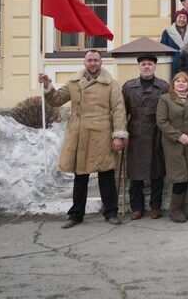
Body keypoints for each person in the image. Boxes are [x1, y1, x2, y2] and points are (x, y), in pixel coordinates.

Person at [39, 50, 128, 228]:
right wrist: (48, 85)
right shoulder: (73, 82)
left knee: (106, 174)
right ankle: (76, 214)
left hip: (101, 134)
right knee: (80, 176)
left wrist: (119, 135)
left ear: (101, 62)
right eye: (90, 60)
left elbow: (119, 110)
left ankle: (111, 212)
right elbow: (56, 100)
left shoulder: (111, 84)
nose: (93, 63)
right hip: (78, 133)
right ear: (84, 62)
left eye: (96, 60)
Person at [121, 54, 170, 220]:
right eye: (143, 64)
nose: (147, 67)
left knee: (157, 171)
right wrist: (120, 132)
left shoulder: (163, 86)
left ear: (155, 66)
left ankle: (155, 206)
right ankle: (137, 207)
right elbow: (122, 112)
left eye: (150, 64)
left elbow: (169, 110)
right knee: (136, 173)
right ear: (139, 67)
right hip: (135, 132)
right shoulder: (129, 87)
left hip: (157, 131)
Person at [156, 71, 188, 223]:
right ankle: (175, 210)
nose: (181, 83)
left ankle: (182, 207)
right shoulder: (165, 99)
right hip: (173, 144)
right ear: (173, 84)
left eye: (184, 81)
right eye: (178, 81)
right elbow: (162, 121)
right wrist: (179, 136)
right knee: (179, 177)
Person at [160, 10, 188, 74]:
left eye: (184, 17)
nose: (182, 19)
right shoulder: (167, 32)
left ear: (187, 19)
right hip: (173, 62)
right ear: (176, 18)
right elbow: (163, 49)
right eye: (180, 17)